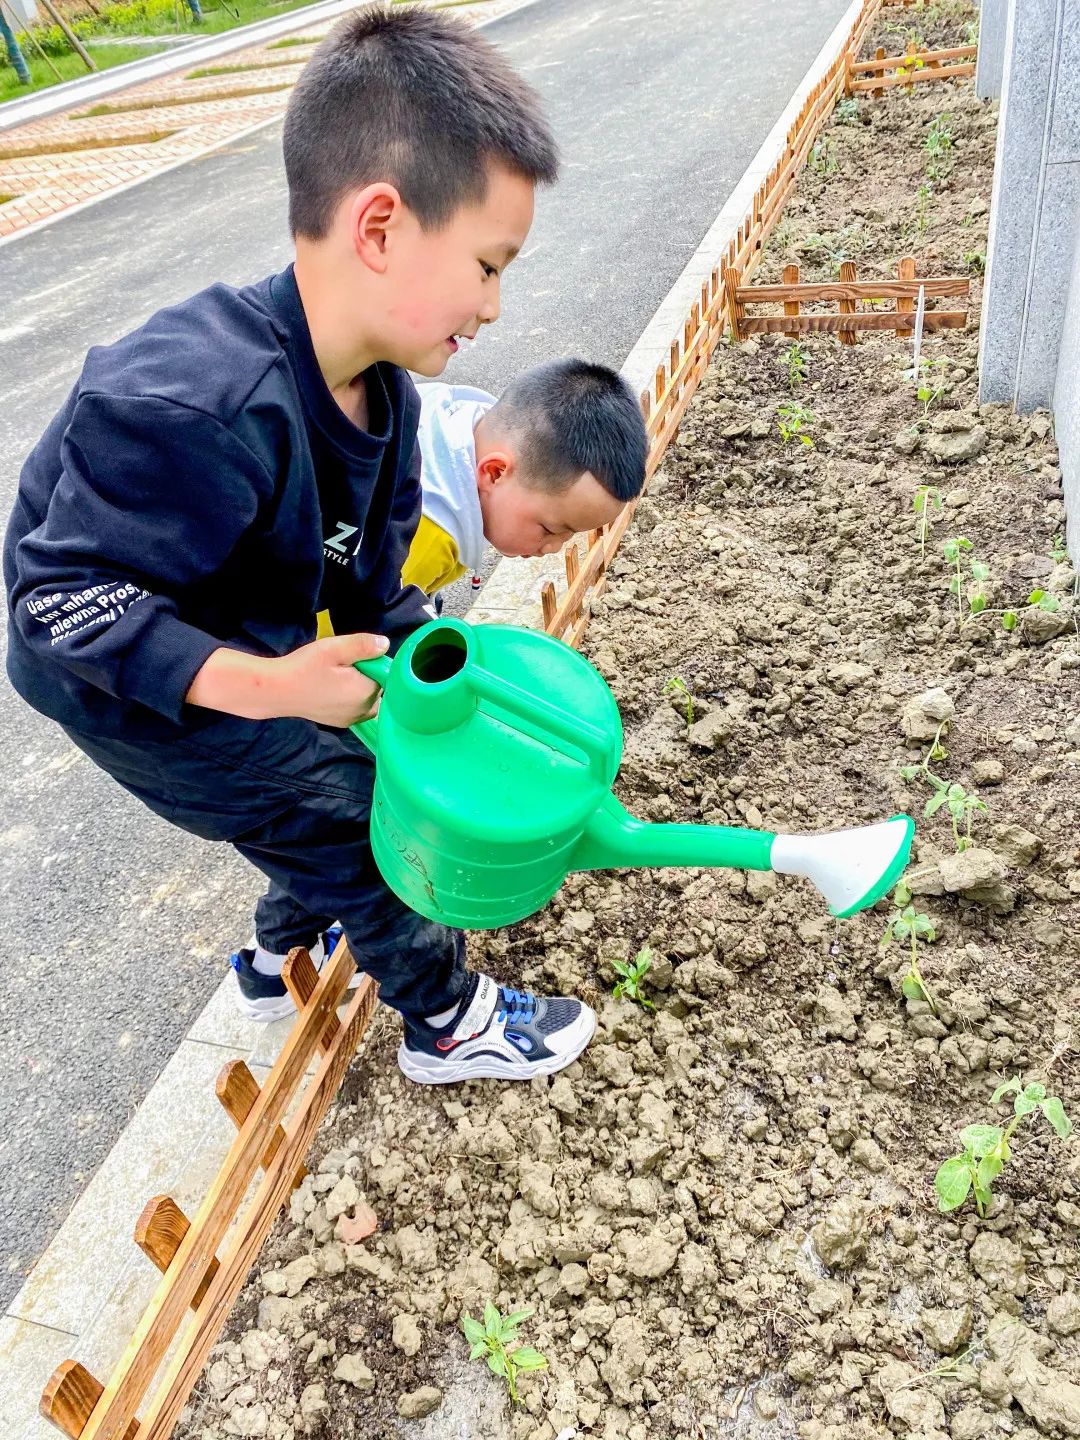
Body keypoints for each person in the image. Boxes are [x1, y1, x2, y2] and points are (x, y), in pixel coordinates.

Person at [4, 5, 597, 1086]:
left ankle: (270, 959)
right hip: (124, 682)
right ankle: (444, 1023)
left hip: (242, 633)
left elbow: (371, 590)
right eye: (487, 265)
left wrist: (442, 682)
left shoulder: (389, 403)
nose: (496, 306)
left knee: (337, 774)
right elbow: (57, 606)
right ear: (380, 227)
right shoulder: (190, 405)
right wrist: (274, 686)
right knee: (352, 815)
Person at [400, 360, 647, 600]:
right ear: (495, 473)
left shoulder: (474, 425)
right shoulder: (425, 538)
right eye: (550, 530)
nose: (554, 548)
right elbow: (383, 619)